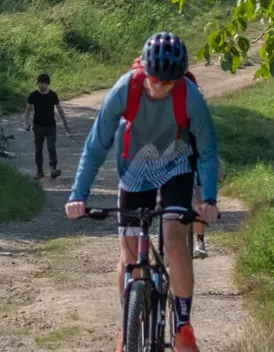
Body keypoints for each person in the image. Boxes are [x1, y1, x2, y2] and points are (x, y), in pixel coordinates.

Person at [66, 33, 220, 352]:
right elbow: (96, 145)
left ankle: (182, 325)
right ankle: (128, 326)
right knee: (129, 256)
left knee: (175, 240)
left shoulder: (190, 96)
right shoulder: (126, 88)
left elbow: (206, 152)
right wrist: (78, 194)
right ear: (144, 71)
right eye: (155, 80)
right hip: (135, 171)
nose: (161, 87)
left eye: (169, 83)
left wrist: (208, 200)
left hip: (177, 165)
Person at [24, 72, 70, 179]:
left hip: (51, 126)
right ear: (38, 83)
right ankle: (39, 171)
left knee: (51, 147)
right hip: (38, 126)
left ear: (48, 84)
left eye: (44, 83)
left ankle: (53, 169)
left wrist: (65, 122)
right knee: (38, 149)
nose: (42, 85)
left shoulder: (53, 95)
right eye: (40, 83)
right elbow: (28, 110)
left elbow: (59, 108)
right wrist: (26, 123)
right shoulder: (33, 95)